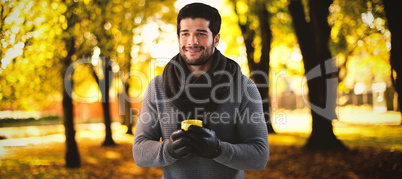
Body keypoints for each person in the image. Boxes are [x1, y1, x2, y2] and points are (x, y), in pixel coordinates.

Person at [133, 3, 269, 179]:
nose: (192, 41)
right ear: (178, 38)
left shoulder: (244, 87)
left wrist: (218, 149)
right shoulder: (157, 87)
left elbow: (259, 157)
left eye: (201, 34)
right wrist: (168, 149)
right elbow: (139, 151)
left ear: (216, 39)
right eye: (185, 34)